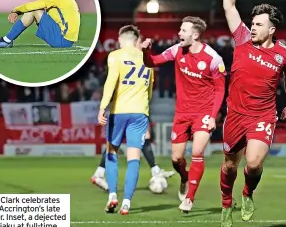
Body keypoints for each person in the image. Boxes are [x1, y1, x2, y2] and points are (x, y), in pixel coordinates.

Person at [220, 0, 286, 227]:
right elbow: (229, 6)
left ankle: (247, 194)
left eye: (258, 24)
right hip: (235, 114)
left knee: (253, 163)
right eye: (252, 22)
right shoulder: (241, 40)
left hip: (263, 115)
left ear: (272, 29)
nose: (252, 26)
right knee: (230, 166)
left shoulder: (284, 54)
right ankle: (226, 203)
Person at [141, 16, 227, 212]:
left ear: (195, 35)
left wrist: (213, 116)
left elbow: (220, 89)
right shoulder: (176, 51)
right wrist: (146, 50)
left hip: (204, 113)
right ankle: (184, 178)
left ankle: (189, 198)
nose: (179, 33)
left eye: (183, 30)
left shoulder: (213, 59)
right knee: (176, 159)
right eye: (180, 30)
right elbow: (151, 62)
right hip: (182, 113)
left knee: (197, 152)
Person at [97, 25, 154, 215]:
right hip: (140, 113)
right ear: (136, 39)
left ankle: (112, 195)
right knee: (134, 157)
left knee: (111, 151)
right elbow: (150, 91)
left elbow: (110, 82)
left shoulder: (115, 55)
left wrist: (102, 107)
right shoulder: (148, 60)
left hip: (119, 111)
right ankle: (127, 202)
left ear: (121, 40)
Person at [91, 122, 174, 191]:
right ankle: (155, 171)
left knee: (116, 142)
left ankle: (99, 173)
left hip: (124, 111)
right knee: (143, 136)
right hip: (129, 110)